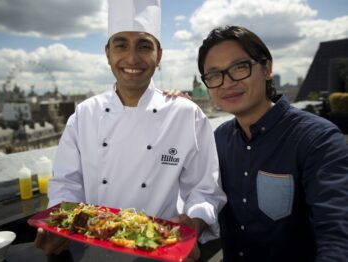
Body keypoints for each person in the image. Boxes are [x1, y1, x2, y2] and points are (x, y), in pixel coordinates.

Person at [35, 0, 227, 260]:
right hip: (92, 248)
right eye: (121, 44)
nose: (132, 58)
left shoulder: (186, 114)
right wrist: (59, 225)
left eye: (145, 46)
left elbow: (205, 189)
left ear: (159, 56)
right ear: (108, 54)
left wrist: (193, 223)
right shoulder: (85, 114)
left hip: (161, 249)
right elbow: (66, 183)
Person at [196, 25, 348, 261]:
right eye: (214, 75)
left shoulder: (317, 140)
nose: (227, 83)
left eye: (239, 67)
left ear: (267, 69)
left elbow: (337, 233)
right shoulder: (219, 138)